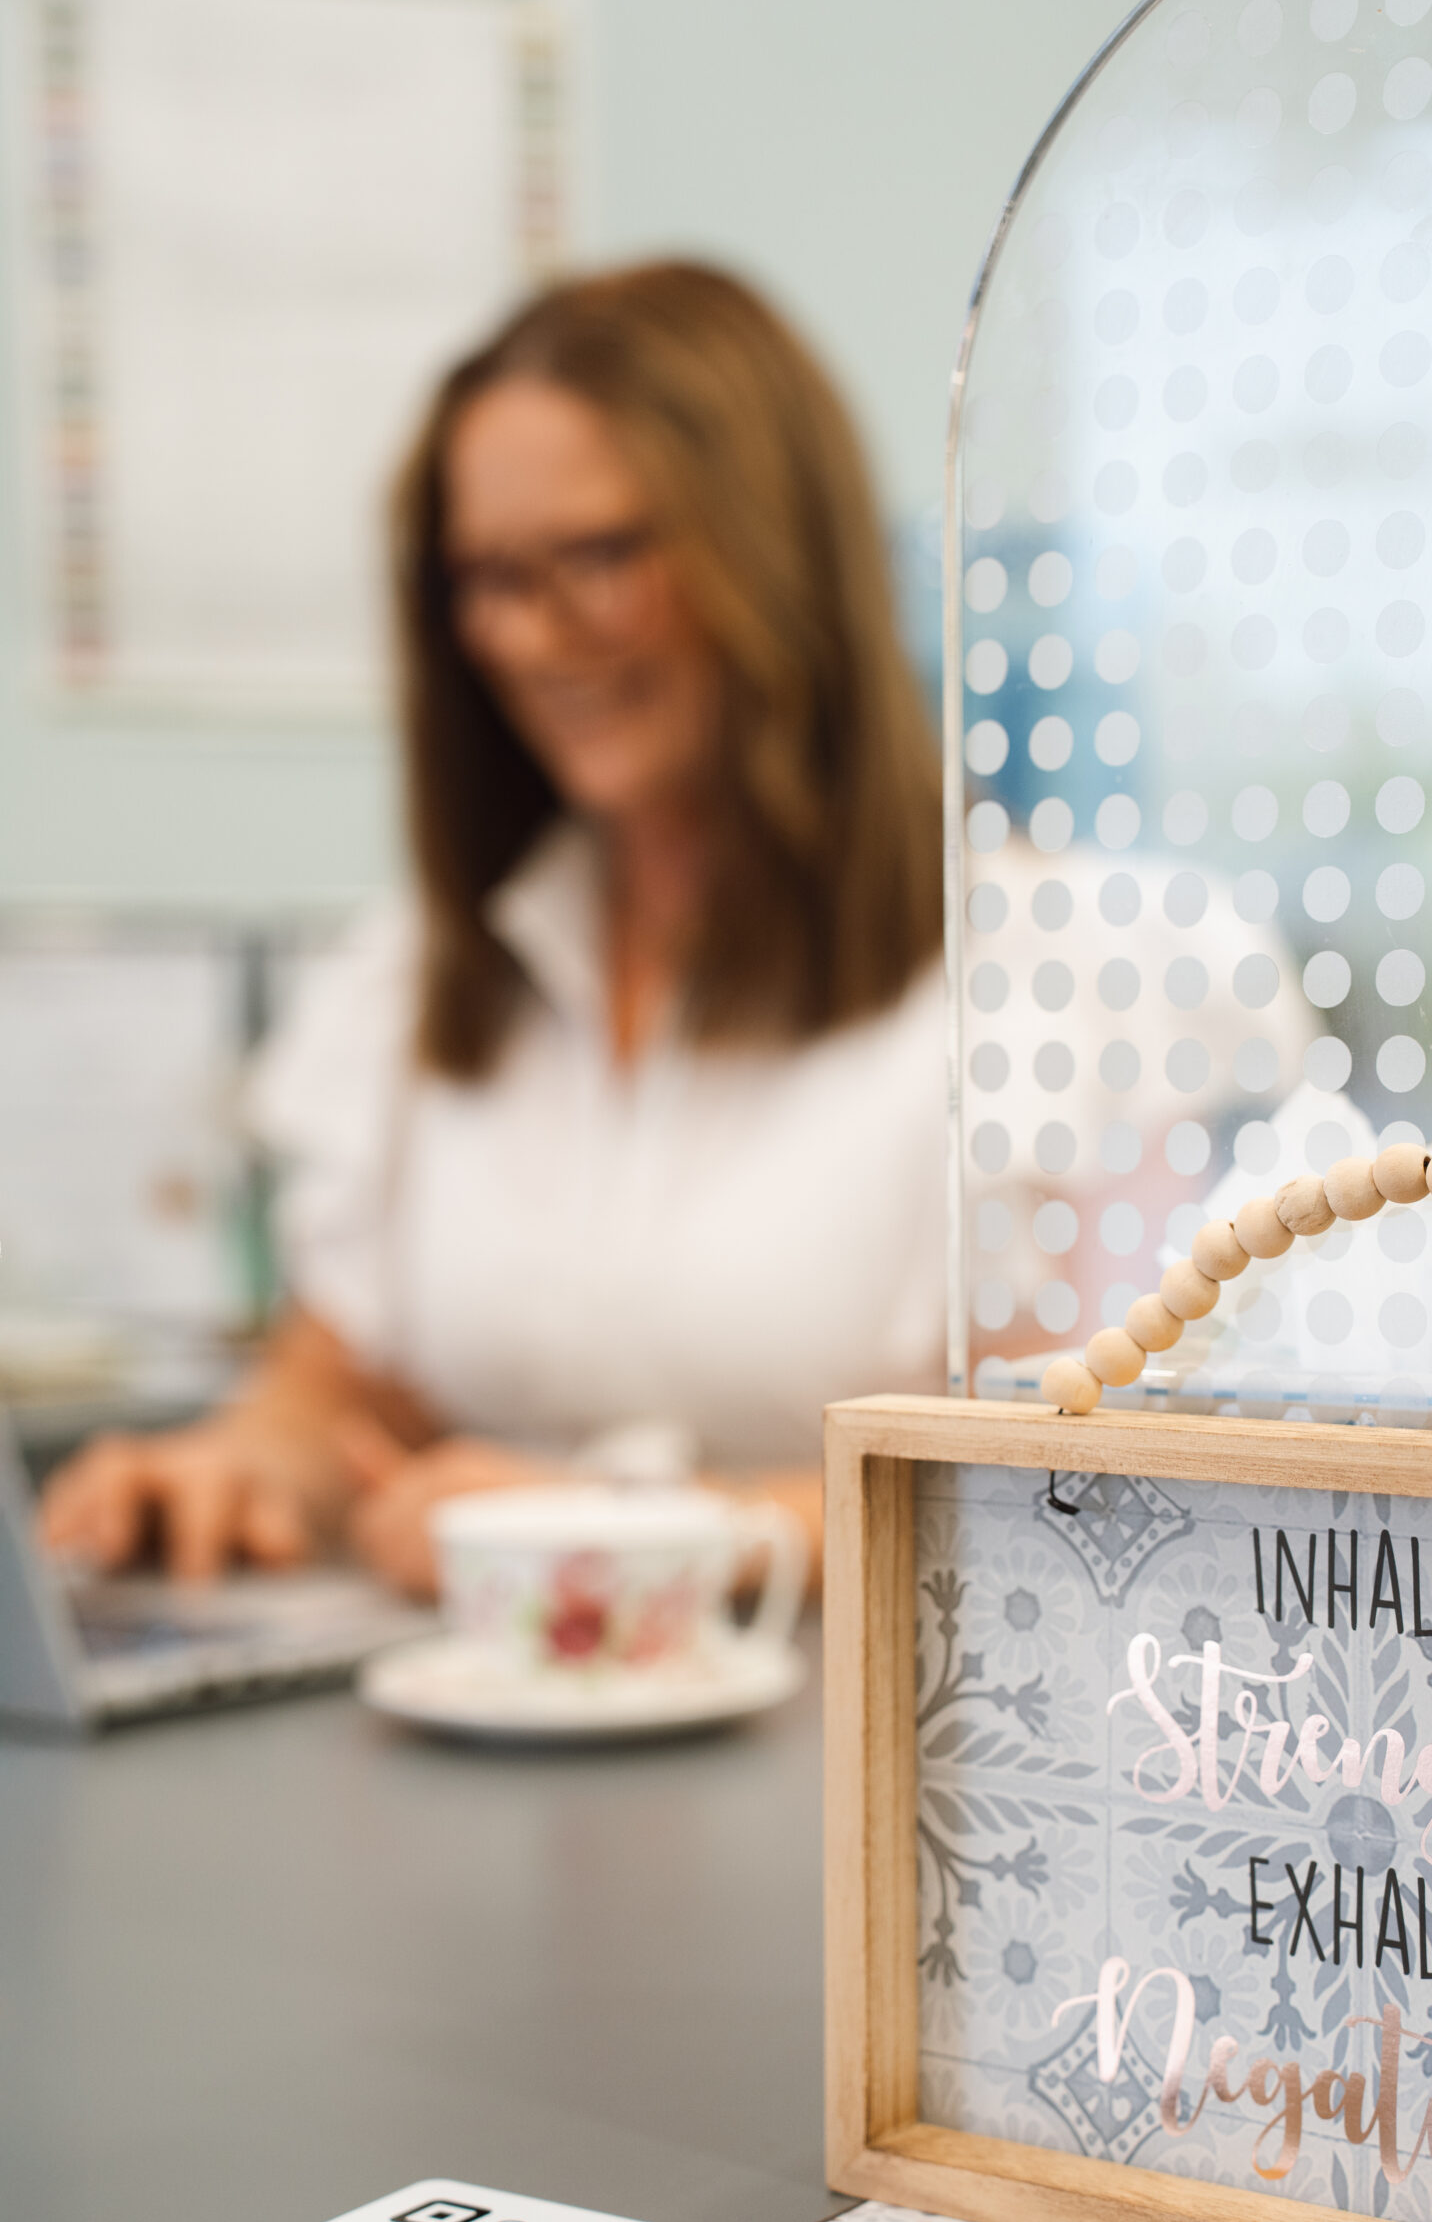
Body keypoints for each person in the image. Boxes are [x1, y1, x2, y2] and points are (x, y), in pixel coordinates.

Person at [41, 262, 946, 1596]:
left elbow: (1090, 1495)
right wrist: (244, 1462)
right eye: (485, 578)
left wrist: (646, 1536)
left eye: (597, 559)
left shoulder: (1060, 984)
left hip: (850, 1723)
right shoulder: (428, 970)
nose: (526, 637)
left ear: (774, 552)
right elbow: (346, 1381)